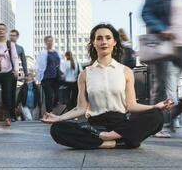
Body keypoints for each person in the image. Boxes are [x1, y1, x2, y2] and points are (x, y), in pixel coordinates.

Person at [41, 23, 173, 149]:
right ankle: (117, 143)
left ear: (114, 42)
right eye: (99, 38)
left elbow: (132, 105)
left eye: (108, 38)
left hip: (120, 124)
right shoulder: (84, 74)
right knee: (57, 129)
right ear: (94, 43)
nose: (104, 41)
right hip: (95, 126)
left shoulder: (126, 71)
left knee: (156, 116)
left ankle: (107, 137)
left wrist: (155, 106)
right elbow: (81, 108)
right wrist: (58, 118)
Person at [35, 36, 60, 113]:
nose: (50, 42)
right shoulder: (43, 53)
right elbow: (39, 65)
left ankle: (53, 106)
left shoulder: (56, 52)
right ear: (45, 42)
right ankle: (49, 113)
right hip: (46, 77)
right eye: (48, 41)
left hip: (56, 77)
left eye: (51, 41)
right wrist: (38, 78)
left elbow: (59, 64)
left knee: (57, 95)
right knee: (49, 96)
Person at [9, 29, 28, 122]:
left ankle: (12, 115)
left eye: (13, 35)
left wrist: (27, 74)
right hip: (4, 73)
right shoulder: (5, 45)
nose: (11, 37)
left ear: (17, 37)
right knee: (6, 94)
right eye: (10, 35)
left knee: (12, 95)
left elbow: (24, 62)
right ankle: (7, 115)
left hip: (14, 74)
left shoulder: (20, 48)